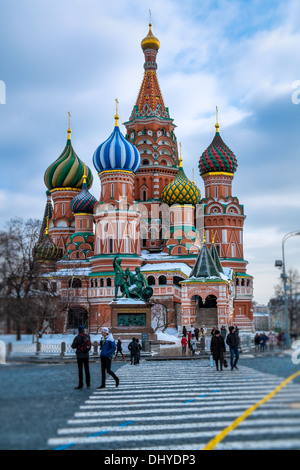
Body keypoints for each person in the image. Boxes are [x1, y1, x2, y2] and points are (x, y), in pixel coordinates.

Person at [71, 325, 91, 390]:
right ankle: (88, 384)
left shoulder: (77, 337)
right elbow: (89, 345)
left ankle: (81, 385)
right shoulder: (87, 336)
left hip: (79, 356)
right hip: (86, 355)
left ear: (78, 330)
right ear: (84, 330)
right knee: (87, 370)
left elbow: (73, 346)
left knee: (80, 371)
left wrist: (78, 346)